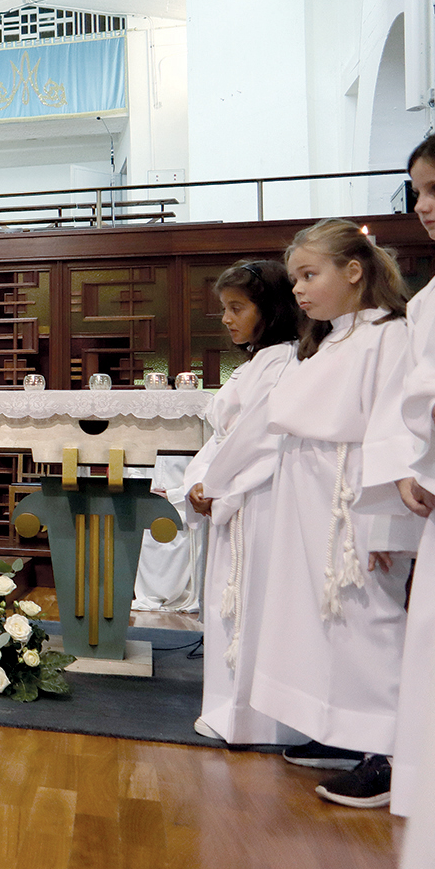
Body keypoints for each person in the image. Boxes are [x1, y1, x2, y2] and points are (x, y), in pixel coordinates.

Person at [249, 218, 417, 808]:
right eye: (294, 278)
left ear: (353, 272)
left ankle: (392, 752)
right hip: (312, 499)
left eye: (309, 274)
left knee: (368, 619)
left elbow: (396, 431)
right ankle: (346, 729)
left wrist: (388, 523)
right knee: (323, 619)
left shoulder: (389, 335)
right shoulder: (333, 338)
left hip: (355, 503)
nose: (297, 289)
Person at [181, 259, 303, 744]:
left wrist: (214, 487)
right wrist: (199, 481)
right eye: (224, 308)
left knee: (251, 604)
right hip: (234, 494)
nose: (227, 318)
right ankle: (228, 709)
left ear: (270, 310)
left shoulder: (285, 360)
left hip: (258, 499)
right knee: (229, 604)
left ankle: (255, 719)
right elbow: (221, 438)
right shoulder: (257, 362)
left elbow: (258, 439)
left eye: (237, 308)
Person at [381, 133, 435, 822]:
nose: (422, 206)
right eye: (417, 192)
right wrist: (409, 460)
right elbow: (411, 395)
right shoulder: (428, 301)